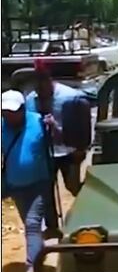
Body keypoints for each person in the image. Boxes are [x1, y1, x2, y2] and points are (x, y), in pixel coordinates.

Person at [1, 91, 53, 272]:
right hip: (15, 184)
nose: (8, 115)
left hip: (38, 183)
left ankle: (33, 268)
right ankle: (36, 256)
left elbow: (57, 143)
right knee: (29, 225)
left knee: (32, 224)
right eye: (5, 112)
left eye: (12, 111)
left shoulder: (39, 122)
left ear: (23, 109)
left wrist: (53, 127)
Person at [25, 63, 91, 198]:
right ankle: (51, 219)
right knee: (46, 193)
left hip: (69, 151)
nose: (40, 89)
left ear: (49, 80)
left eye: (42, 82)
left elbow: (83, 123)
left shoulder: (72, 97)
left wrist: (82, 147)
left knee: (73, 186)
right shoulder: (31, 100)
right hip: (44, 154)